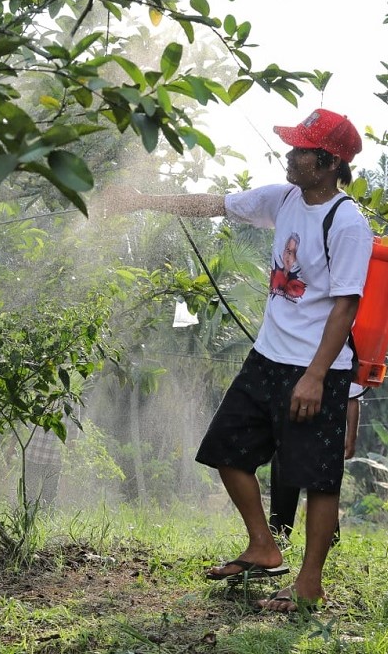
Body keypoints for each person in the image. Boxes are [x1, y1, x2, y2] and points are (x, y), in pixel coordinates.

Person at [101, 108, 372, 613]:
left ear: (330, 162)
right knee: (225, 449)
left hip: (317, 368)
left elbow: (347, 303)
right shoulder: (284, 197)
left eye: (301, 150)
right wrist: (142, 202)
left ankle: (309, 585)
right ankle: (263, 546)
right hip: (267, 358)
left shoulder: (348, 222)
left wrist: (315, 376)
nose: (290, 156)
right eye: (291, 147)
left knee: (316, 478)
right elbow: (214, 204)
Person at [269, 383, 366, 547]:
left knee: (324, 488)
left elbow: (353, 396)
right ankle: (278, 538)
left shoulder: (346, 360)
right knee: (284, 485)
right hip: (291, 428)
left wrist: (351, 437)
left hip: (326, 430)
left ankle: (328, 544)